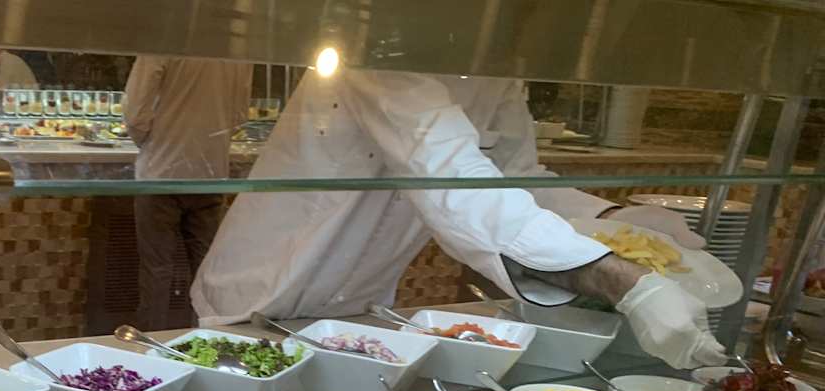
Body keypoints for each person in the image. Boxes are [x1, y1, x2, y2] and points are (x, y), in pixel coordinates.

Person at [192, 69, 727, 369]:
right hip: (257, 296)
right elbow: (447, 171)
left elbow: (514, 175)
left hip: (359, 306)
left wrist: (613, 217)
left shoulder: (496, 68)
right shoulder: (388, 39)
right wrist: (624, 281)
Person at [124, 56, 252, 331]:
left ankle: (153, 344)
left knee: (157, 272)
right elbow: (239, 115)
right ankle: (207, 340)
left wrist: (154, 142)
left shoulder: (160, 42)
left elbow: (135, 115)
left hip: (160, 173)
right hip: (210, 174)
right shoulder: (237, 50)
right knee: (207, 273)